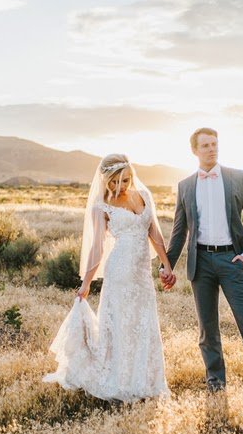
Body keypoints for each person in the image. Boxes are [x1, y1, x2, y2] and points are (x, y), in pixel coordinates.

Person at [161, 127, 243, 396]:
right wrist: (167, 264)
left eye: (215, 144)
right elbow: (179, 230)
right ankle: (216, 385)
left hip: (233, 260)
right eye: (205, 145)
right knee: (208, 330)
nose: (212, 149)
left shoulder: (237, 178)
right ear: (194, 151)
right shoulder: (185, 185)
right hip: (201, 262)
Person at [43, 154, 171, 402]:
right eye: (114, 182)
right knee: (121, 327)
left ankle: (148, 380)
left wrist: (166, 264)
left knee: (144, 324)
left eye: (125, 180)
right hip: (119, 272)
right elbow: (97, 249)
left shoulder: (144, 196)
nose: (120, 187)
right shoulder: (101, 206)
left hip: (142, 274)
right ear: (105, 181)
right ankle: (121, 380)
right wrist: (86, 283)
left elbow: (154, 233)